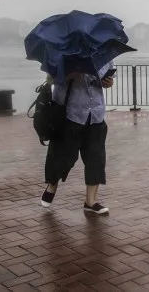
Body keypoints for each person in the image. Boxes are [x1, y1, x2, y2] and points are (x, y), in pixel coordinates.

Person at [39, 62, 115, 214]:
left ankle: (90, 201)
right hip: (69, 115)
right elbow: (50, 80)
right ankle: (52, 185)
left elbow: (109, 78)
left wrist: (108, 82)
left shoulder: (103, 54)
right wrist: (69, 76)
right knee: (62, 157)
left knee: (96, 159)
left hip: (96, 114)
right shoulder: (63, 53)